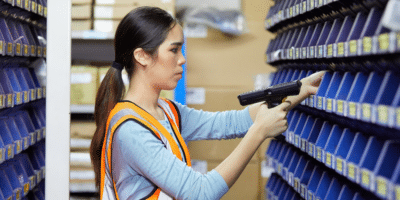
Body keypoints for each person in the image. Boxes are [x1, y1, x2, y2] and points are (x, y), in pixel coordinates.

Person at [90, 6, 325, 200]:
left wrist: (302, 89)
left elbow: (232, 122)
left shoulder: (167, 111)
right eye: (173, 50)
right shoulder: (131, 131)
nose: (182, 59)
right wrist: (259, 133)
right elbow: (200, 193)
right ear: (142, 56)